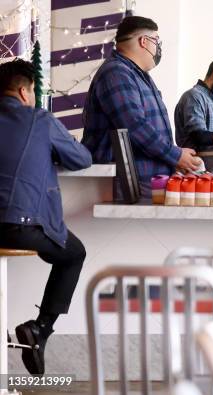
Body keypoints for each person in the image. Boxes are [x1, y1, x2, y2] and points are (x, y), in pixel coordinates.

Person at [0, 59, 92, 374]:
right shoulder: (39, 120)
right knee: (74, 253)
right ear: (25, 91)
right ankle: (40, 330)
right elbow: (81, 159)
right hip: (18, 228)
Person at [82, 16, 200, 197]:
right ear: (144, 42)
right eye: (157, 41)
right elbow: (135, 126)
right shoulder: (116, 73)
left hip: (148, 179)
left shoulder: (138, 75)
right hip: (130, 182)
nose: (158, 47)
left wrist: (174, 161)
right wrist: (175, 155)